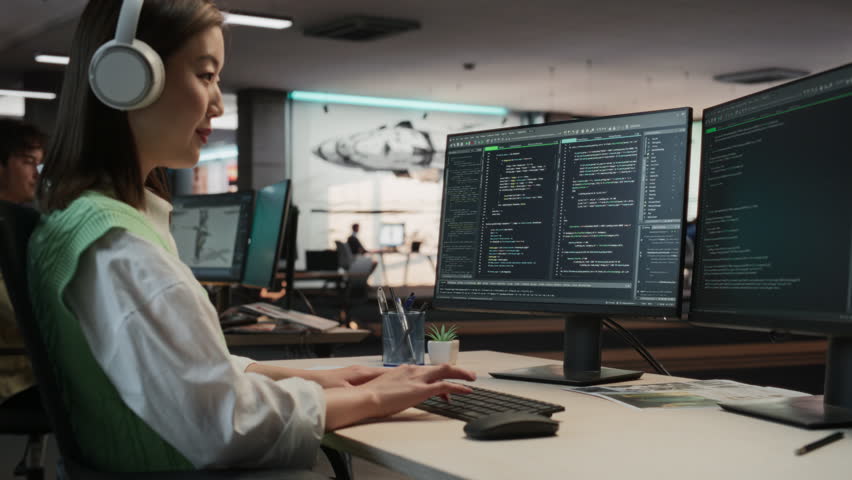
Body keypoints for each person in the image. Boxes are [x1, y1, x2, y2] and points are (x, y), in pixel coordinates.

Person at [29, 0, 474, 473]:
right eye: (205, 75)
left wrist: (316, 378)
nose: (219, 102)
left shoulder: (84, 222)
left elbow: (185, 377)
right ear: (129, 77)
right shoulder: (121, 251)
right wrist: (378, 396)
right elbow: (224, 424)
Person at [0, 118, 45, 403]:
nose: (36, 174)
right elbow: (12, 308)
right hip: (14, 377)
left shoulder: (15, 223)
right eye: (28, 162)